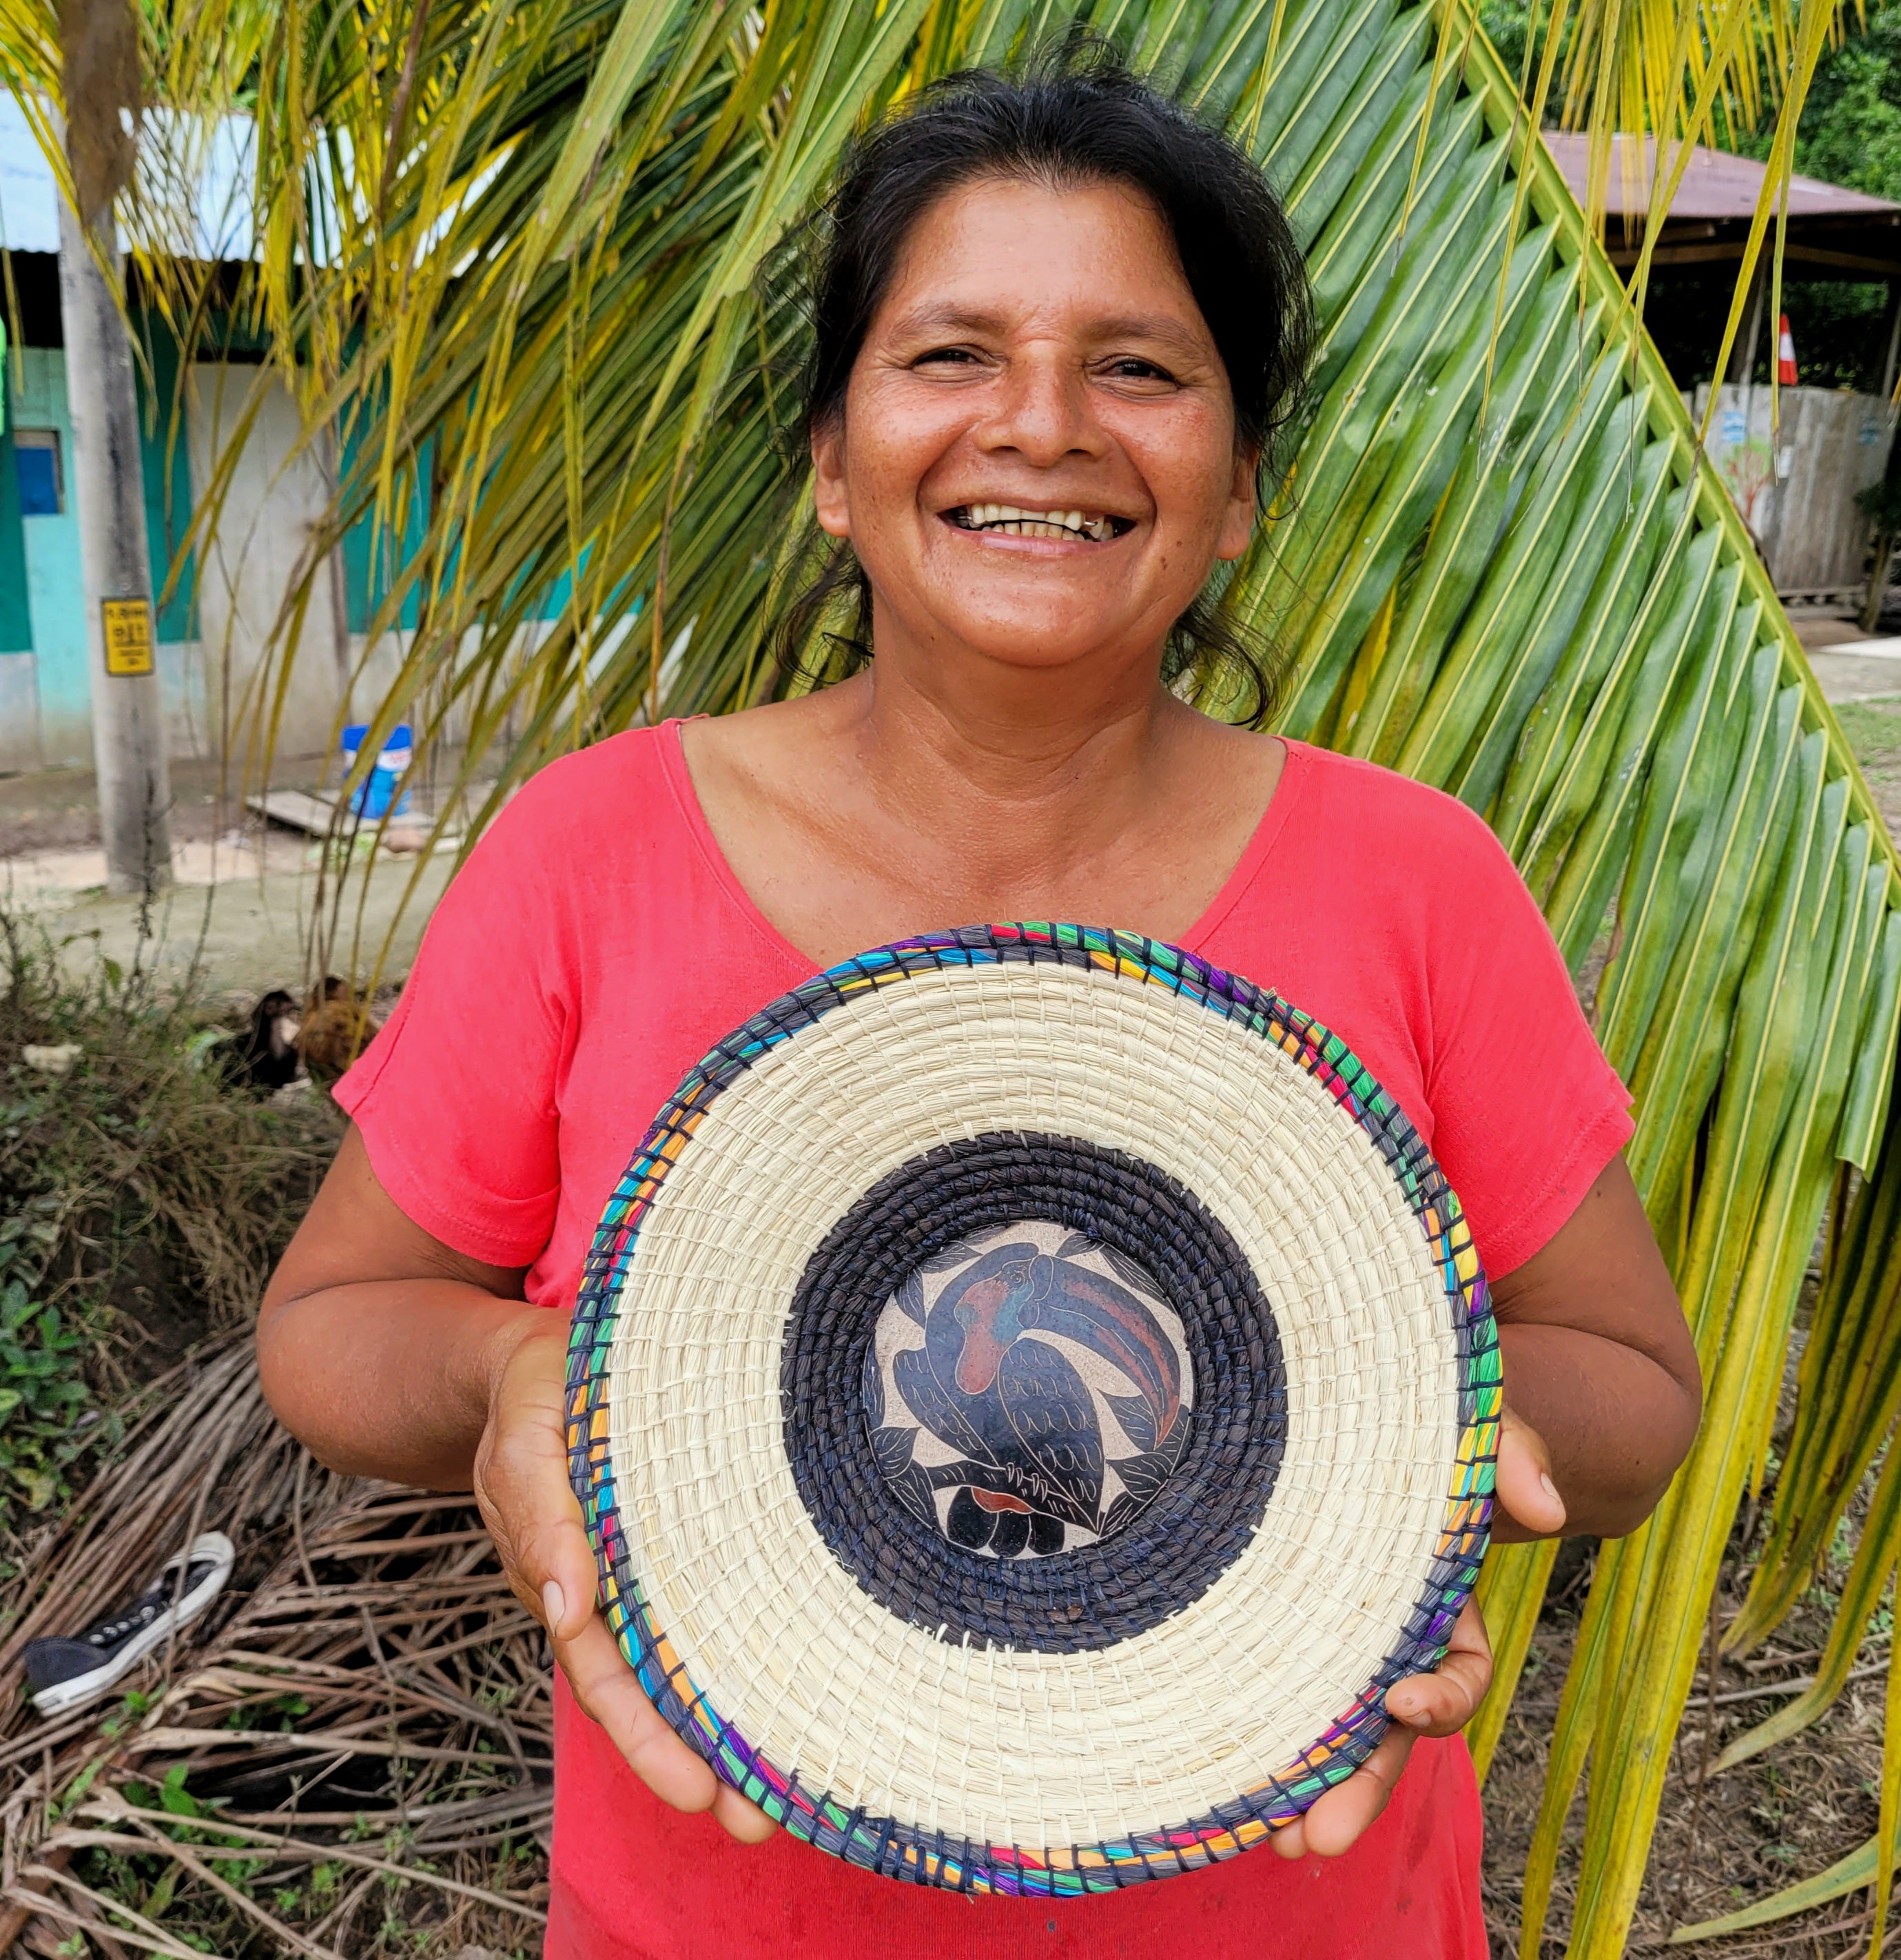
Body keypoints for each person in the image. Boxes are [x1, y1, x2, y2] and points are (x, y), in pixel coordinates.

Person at [258, 50, 1701, 1960]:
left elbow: (1634, 1391)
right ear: (830, 466)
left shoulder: (1414, 878)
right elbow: (334, 1327)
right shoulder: (591, 851)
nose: (1041, 424)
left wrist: (1367, 1461)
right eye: (948, 355)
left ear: (1240, 487)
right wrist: (508, 1373)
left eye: (1138, 366)